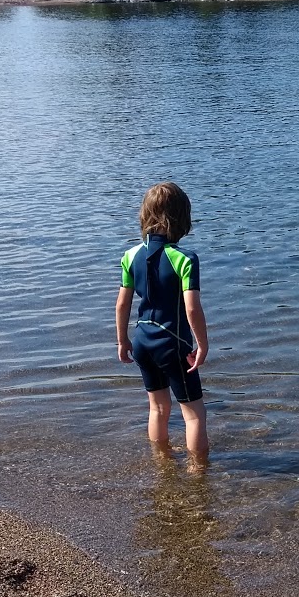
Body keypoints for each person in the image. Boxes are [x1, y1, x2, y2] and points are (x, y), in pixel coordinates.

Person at [116, 182, 209, 464]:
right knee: (194, 414)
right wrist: (202, 344)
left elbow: (122, 304)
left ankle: (162, 463)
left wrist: (122, 341)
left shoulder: (130, 256)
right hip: (173, 343)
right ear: (182, 218)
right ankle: (198, 473)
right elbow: (191, 308)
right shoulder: (185, 258)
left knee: (157, 408)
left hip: (142, 340)